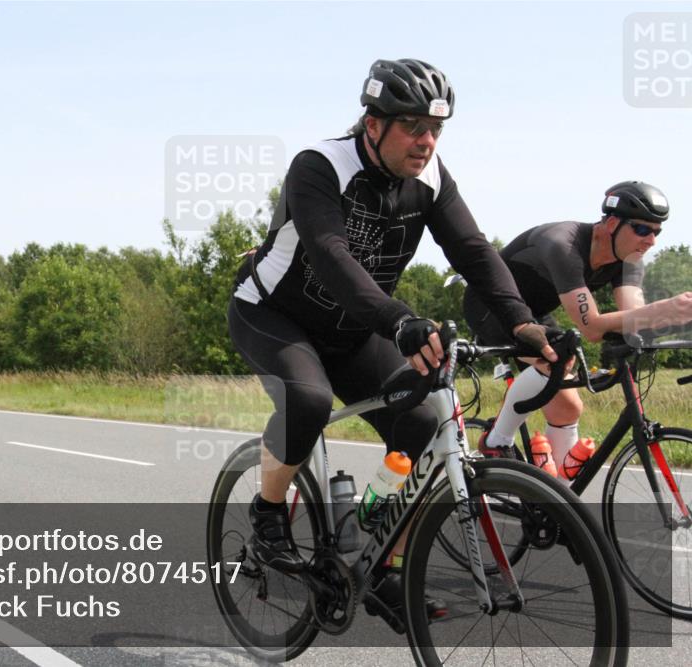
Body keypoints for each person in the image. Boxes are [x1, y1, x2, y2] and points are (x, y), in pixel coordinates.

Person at [227, 58, 555, 618]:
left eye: (436, 130)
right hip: (274, 315)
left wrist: (523, 324)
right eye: (413, 127)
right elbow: (331, 256)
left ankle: (381, 563)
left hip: (356, 329)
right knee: (306, 400)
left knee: (424, 425)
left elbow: (474, 252)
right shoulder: (320, 166)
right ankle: (268, 512)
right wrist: (401, 321)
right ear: (373, 124)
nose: (426, 142)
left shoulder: (429, 179)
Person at [464, 181, 692, 474]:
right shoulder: (564, 245)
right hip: (491, 307)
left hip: (535, 313)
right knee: (553, 357)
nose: (651, 240)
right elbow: (593, 328)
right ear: (611, 223)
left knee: (569, 407)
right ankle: (496, 439)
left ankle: (560, 504)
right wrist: (665, 310)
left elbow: (633, 317)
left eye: (657, 231)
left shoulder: (629, 260)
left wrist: (677, 319)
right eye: (642, 229)